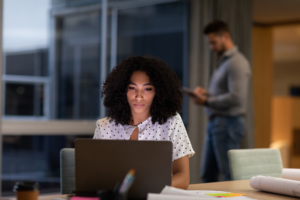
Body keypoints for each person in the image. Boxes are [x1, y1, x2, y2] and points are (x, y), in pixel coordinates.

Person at [93, 56, 195, 189]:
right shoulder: (104, 126)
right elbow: (94, 177)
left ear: (158, 92)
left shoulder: (172, 122)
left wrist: (148, 187)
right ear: (122, 90)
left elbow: (183, 178)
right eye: (132, 88)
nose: (138, 96)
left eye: (147, 89)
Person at [191, 20, 251, 182]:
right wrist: (208, 95)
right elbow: (225, 93)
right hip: (217, 124)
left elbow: (236, 97)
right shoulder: (224, 62)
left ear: (225, 36)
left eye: (213, 43)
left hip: (228, 124)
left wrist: (206, 101)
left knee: (228, 175)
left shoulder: (237, 62)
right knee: (207, 174)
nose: (211, 47)